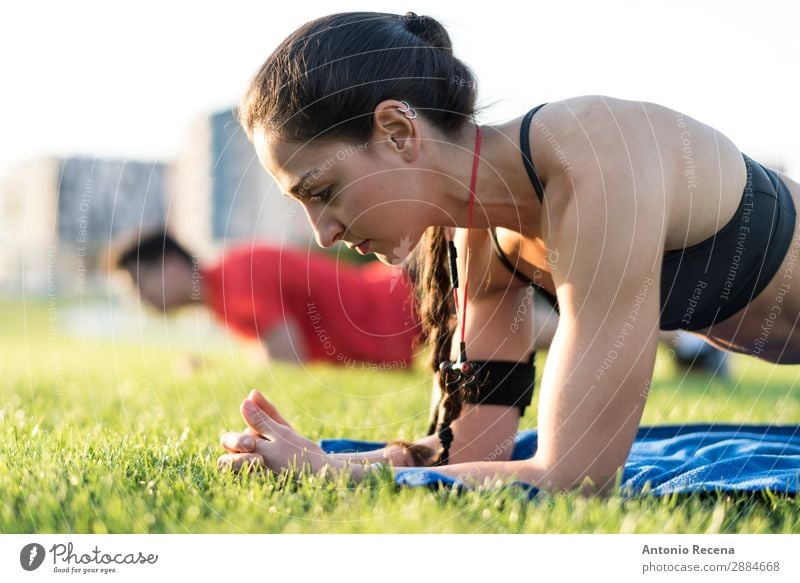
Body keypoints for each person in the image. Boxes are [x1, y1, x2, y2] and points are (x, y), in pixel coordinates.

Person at [217, 11, 800, 494]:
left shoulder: (595, 160)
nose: (321, 232)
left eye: (321, 192)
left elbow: (576, 480)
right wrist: (329, 465)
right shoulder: (479, 240)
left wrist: (338, 474)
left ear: (397, 130)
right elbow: (470, 449)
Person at [114, 230, 420, 368]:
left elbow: (289, 360)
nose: (138, 298)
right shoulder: (222, 295)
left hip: (413, 302)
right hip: (405, 312)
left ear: (171, 267)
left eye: (140, 283)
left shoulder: (235, 277)